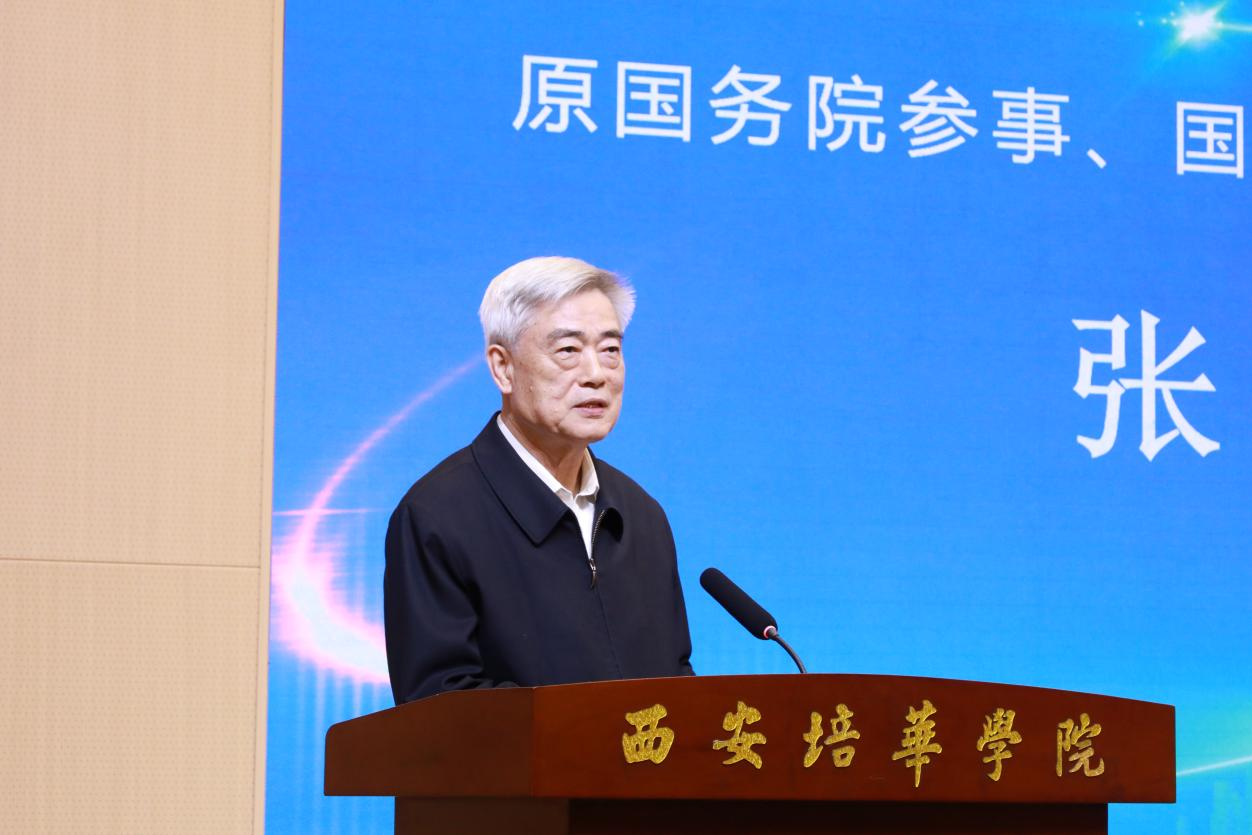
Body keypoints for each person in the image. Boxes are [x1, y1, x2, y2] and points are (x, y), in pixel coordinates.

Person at [384, 256, 694, 704]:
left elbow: (676, 681)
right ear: (503, 368)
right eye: (568, 350)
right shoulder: (438, 516)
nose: (596, 374)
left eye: (610, 350)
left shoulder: (642, 515)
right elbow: (441, 707)